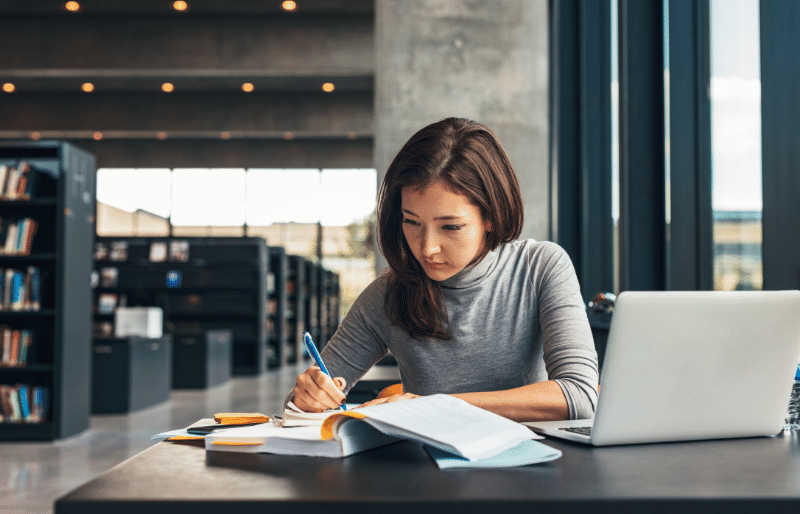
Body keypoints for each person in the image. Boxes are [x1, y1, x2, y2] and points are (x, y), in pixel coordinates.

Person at [292, 117, 599, 422]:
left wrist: (431, 406)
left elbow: (579, 395)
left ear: (491, 216)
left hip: (532, 464)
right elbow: (296, 411)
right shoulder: (387, 295)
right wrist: (307, 398)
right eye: (411, 222)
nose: (426, 248)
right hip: (428, 468)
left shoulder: (540, 267)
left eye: (450, 226)